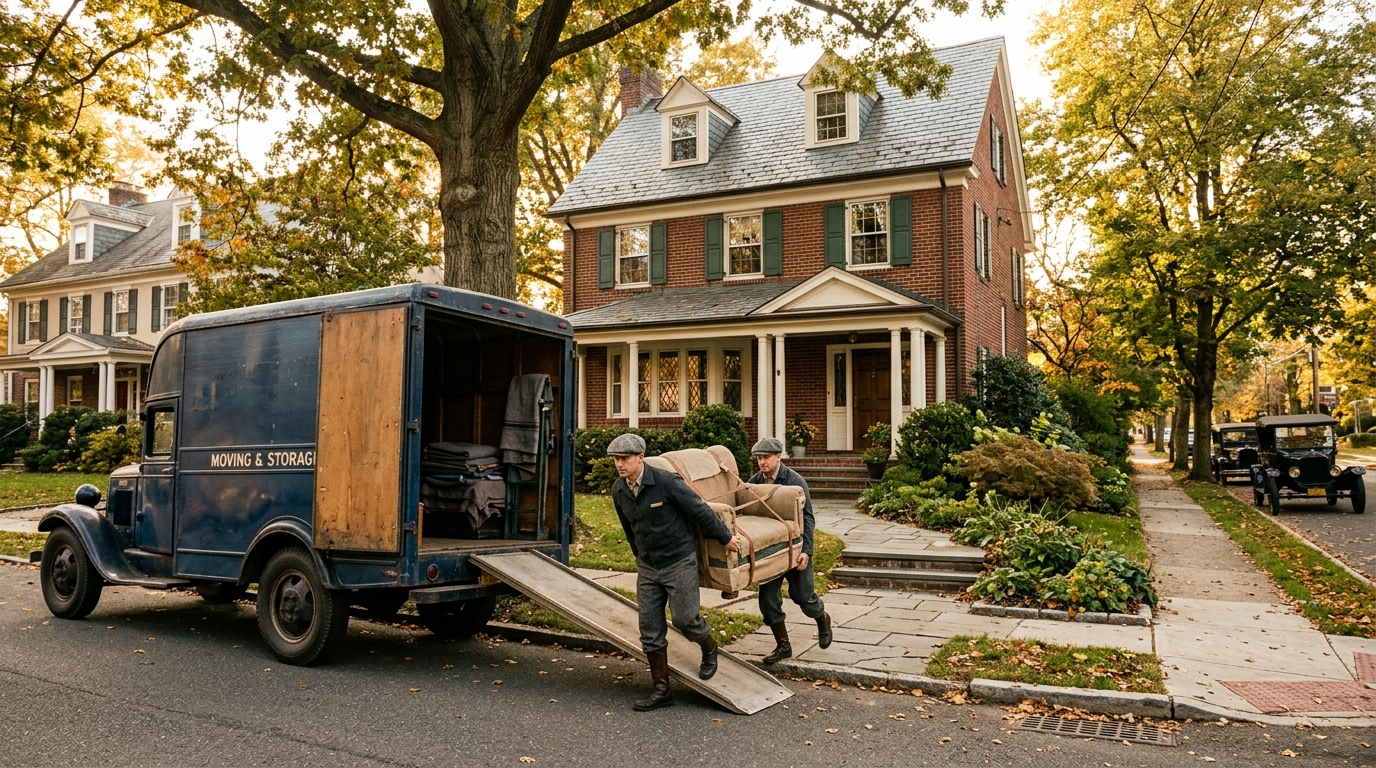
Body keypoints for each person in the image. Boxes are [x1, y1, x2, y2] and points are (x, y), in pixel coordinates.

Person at [607, 433, 742, 711]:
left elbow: (700, 511)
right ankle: (662, 690)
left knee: (685, 619)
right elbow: (628, 528)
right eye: (616, 460)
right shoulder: (618, 490)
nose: (619, 465)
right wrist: (639, 555)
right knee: (649, 629)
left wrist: (725, 538)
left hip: (678, 560)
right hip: (648, 565)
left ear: (640, 458)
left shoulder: (666, 482)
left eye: (625, 459)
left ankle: (709, 648)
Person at [747, 436, 832, 664]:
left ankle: (822, 619)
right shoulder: (754, 482)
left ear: (778, 457)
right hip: (771, 550)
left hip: (796, 550)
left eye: (766, 457)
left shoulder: (795, 481)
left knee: (803, 597)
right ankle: (783, 646)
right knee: (768, 602)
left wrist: (807, 550)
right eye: (758, 458)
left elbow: (808, 518)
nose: (762, 462)